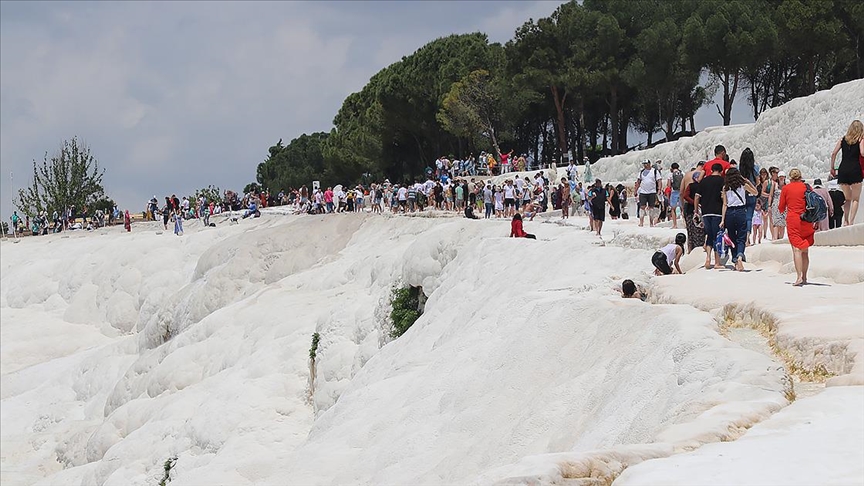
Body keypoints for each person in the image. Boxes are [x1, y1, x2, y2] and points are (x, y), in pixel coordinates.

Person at [779, 168, 815, 286]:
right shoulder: (807, 187)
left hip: (793, 220)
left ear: (790, 177)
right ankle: (804, 277)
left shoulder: (786, 189)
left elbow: (781, 207)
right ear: (800, 176)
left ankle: (799, 277)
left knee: (796, 249)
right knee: (805, 250)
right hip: (806, 220)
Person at [720, 167, 759, 271]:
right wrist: (749, 182)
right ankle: (740, 256)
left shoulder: (725, 188)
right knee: (742, 237)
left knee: (732, 237)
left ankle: (735, 260)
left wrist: (722, 220)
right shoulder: (743, 185)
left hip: (729, 213)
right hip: (741, 211)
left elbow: (724, 204)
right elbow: (755, 193)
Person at [829, 120, 863, 226]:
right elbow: (862, 152)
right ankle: (851, 222)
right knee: (855, 199)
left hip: (843, 170)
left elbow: (834, 153)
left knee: (847, 198)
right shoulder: (860, 139)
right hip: (855, 169)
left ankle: (845, 221)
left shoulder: (843, 139)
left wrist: (832, 168)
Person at [694, 162, 725, 269]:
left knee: (709, 235)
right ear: (721, 171)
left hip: (705, 211)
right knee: (717, 235)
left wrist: (696, 211)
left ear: (711, 170)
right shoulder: (722, 181)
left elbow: (697, 197)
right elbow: (724, 197)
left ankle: (708, 258)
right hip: (718, 212)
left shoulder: (704, 181)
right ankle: (717, 262)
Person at [738, 148, 759, 244]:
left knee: (742, 216)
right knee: (749, 216)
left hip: (742, 194)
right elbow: (758, 182)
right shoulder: (755, 168)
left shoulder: (739, 169)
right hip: (751, 193)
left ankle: (742, 236)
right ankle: (747, 238)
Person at [636, 159, 660, 227]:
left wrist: (659, 189)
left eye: (646, 164)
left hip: (652, 191)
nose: (645, 165)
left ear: (649, 164)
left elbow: (659, 180)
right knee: (642, 206)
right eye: (644, 164)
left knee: (651, 207)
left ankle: (651, 223)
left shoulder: (654, 171)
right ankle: (641, 222)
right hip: (643, 192)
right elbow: (638, 181)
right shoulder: (641, 172)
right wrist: (636, 190)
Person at [769, 169, 787, 240]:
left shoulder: (786, 186)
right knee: (776, 223)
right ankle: (775, 238)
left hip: (784, 206)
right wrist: (769, 206)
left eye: (783, 176)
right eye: (780, 176)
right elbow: (770, 195)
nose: (781, 178)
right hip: (775, 206)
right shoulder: (774, 185)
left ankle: (781, 239)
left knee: (782, 223)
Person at [667, 162, 684, 229]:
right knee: (682, 208)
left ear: (671, 168)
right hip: (681, 192)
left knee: (673, 209)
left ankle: (675, 225)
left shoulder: (670, 174)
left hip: (674, 192)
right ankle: (685, 223)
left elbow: (668, 185)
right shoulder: (682, 173)